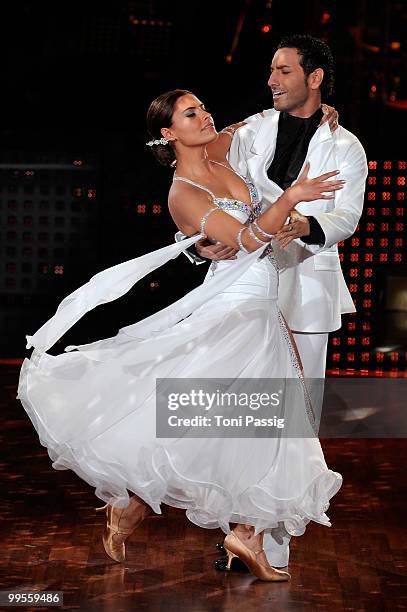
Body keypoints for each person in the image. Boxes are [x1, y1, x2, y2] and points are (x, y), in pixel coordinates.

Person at [17, 89, 345, 582]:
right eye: (192, 113)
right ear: (169, 133)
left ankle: (241, 532)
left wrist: (313, 112)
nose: (206, 115)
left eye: (203, 106)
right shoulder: (182, 192)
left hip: (264, 303)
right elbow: (247, 241)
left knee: (245, 423)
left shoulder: (218, 149)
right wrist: (293, 197)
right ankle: (161, 513)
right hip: (234, 308)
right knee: (222, 418)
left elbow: (257, 119)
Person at [179, 35, 368, 570]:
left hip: (306, 291)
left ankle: (266, 535)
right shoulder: (251, 129)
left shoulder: (346, 146)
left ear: (315, 78)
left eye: (284, 71)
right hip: (243, 283)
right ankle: (241, 527)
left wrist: (305, 222)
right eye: (271, 70)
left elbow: (347, 217)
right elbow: (203, 182)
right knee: (241, 414)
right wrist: (199, 240)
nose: (272, 80)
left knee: (294, 419)